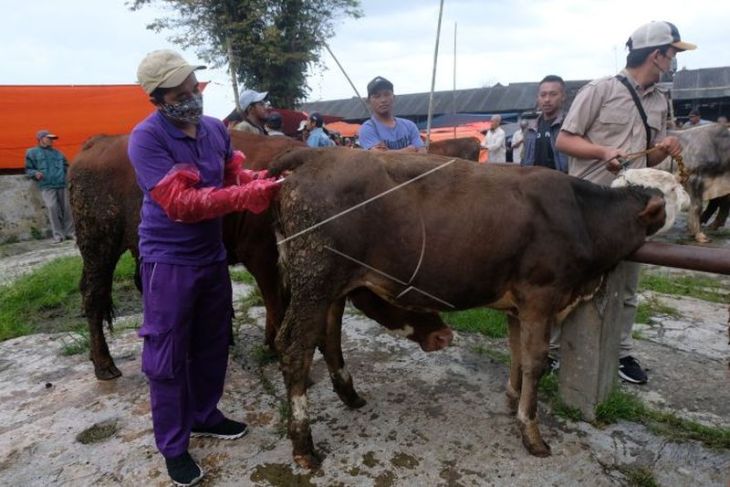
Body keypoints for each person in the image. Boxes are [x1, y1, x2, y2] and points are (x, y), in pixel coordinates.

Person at [129, 49, 281, 486]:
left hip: (210, 255)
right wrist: (240, 199)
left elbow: (232, 176)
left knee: (214, 339)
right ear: (158, 99)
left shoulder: (215, 130)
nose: (193, 97)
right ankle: (173, 447)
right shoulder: (147, 139)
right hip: (169, 259)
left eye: (194, 87)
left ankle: (204, 414)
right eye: (180, 93)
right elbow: (179, 202)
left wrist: (257, 181)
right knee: (167, 354)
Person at [555, 21, 694, 384]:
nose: (674, 61)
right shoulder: (600, 90)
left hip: (632, 209)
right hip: (589, 206)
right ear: (656, 55)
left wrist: (667, 147)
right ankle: (554, 350)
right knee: (570, 278)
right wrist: (603, 151)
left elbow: (651, 160)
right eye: (672, 54)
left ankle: (621, 352)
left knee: (628, 283)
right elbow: (565, 140)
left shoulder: (661, 99)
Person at [25, 129, 75, 243]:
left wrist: (68, 177)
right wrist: (35, 173)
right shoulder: (31, 153)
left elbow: (66, 166)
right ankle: (58, 235)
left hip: (62, 184)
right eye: (49, 138)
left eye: (52, 139)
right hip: (46, 185)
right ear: (41, 139)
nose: (51, 140)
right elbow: (29, 169)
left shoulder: (59, 153)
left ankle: (70, 233)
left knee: (67, 209)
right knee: (52, 207)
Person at [358, 76, 425, 152]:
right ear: (368, 101)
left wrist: (389, 152)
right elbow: (379, 157)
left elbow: (422, 152)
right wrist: (409, 150)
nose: (383, 100)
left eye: (387, 94)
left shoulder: (409, 125)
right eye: (377, 96)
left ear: (394, 97)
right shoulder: (368, 128)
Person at [522, 75, 569, 172]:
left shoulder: (569, 126)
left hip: (562, 183)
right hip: (534, 183)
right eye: (543, 95)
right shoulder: (531, 130)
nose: (547, 99)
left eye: (553, 94)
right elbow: (524, 161)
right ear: (537, 98)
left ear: (563, 96)